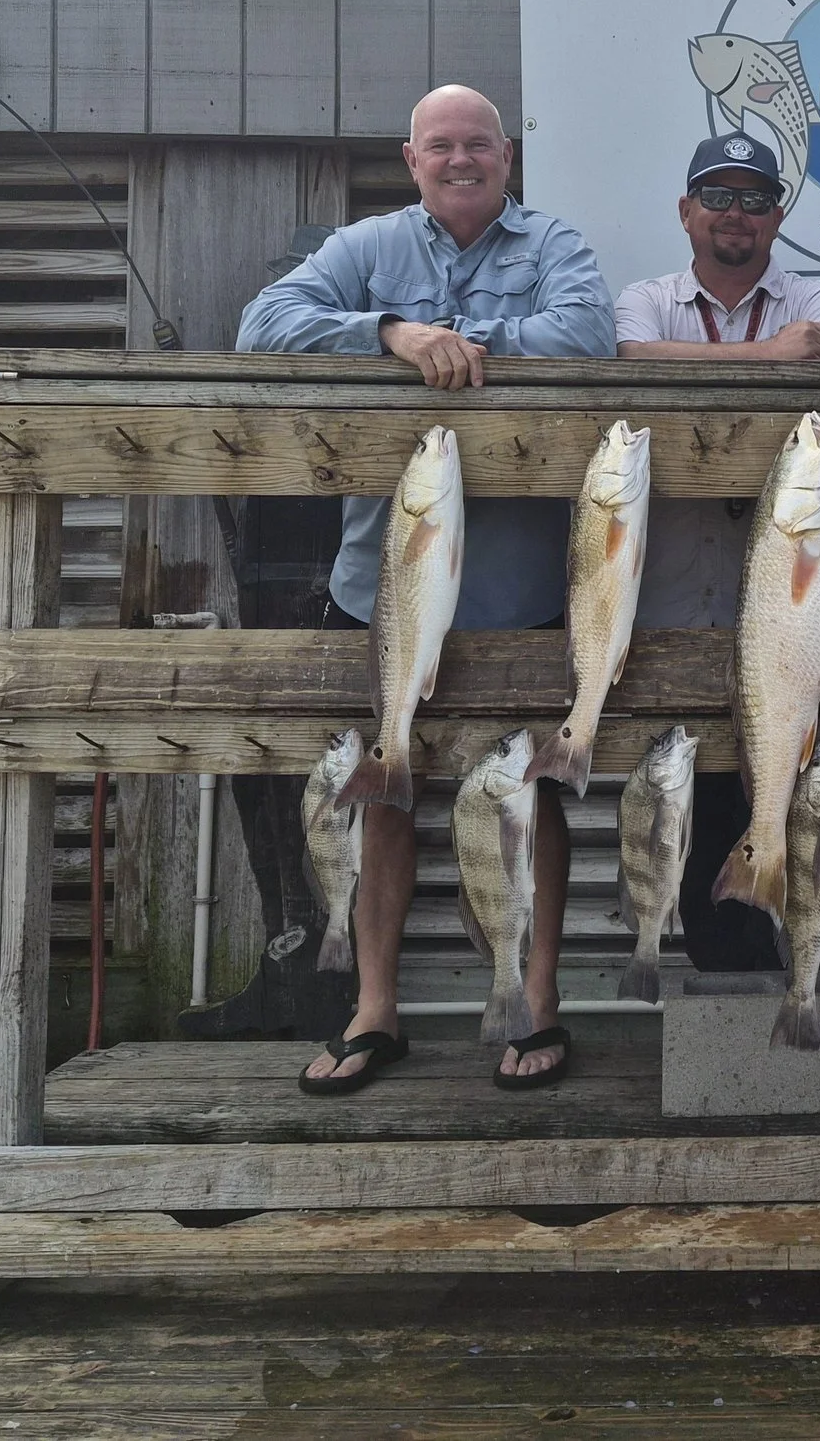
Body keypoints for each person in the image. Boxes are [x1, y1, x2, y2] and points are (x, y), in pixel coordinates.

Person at [237, 84, 615, 1094]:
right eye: (440, 145)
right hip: (385, 582)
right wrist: (396, 335)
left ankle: (535, 1003)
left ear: (507, 156)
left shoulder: (554, 246)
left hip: (520, 583)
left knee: (529, 792)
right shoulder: (368, 249)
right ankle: (373, 1009)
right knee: (387, 796)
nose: (460, 159)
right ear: (411, 158)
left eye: (478, 145)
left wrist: (471, 353)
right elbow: (262, 323)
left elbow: (586, 337)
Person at [614, 132, 820, 973]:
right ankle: (722, 1014)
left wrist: (789, 359)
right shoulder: (645, 297)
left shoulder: (816, 291)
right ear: (685, 211)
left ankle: (809, 982)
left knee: (805, 803)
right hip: (674, 615)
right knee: (697, 811)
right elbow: (629, 360)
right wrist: (771, 358)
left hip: (794, 629)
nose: (736, 214)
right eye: (717, 195)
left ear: (778, 216)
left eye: (756, 199)